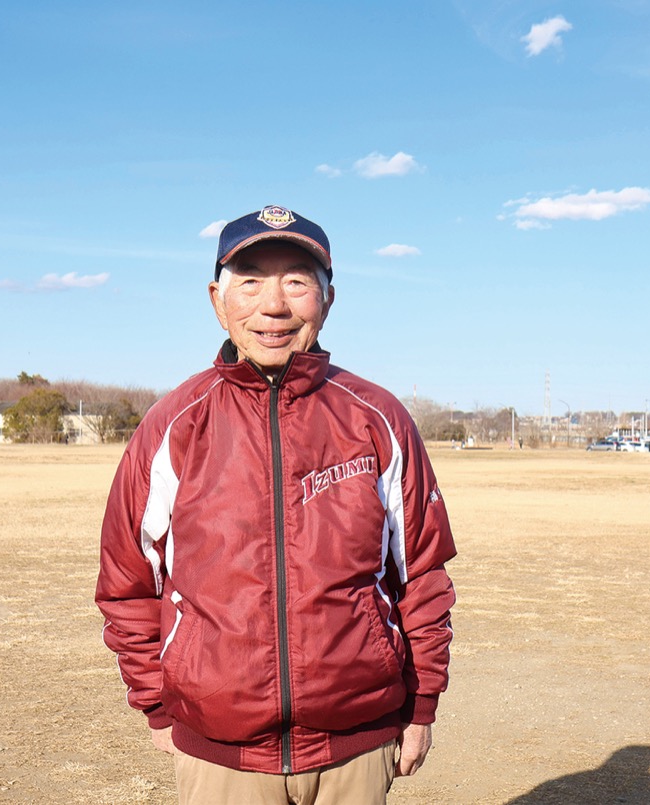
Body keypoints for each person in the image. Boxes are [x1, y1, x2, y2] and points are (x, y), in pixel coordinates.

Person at [96, 205, 457, 804]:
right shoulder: (173, 425)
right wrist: (156, 704)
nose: (273, 305)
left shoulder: (378, 419)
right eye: (250, 281)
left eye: (296, 281)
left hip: (356, 744)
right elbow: (128, 582)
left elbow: (421, 573)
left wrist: (422, 707)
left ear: (327, 299)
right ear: (217, 300)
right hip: (222, 754)